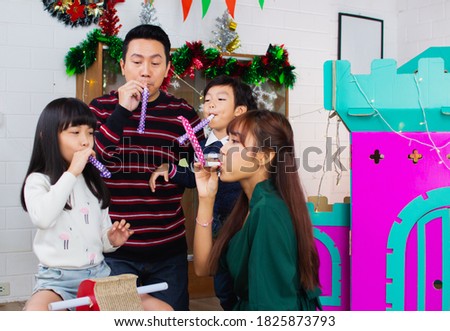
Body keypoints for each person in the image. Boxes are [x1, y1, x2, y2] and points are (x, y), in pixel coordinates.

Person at [89, 24, 204, 310]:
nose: (145, 71)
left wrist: (175, 170)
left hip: (168, 248)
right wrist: (122, 111)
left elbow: (201, 174)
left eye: (155, 62)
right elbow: (91, 163)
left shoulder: (182, 114)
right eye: (137, 61)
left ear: (167, 68)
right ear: (123, 65)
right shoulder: (100, 109)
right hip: (113, 249)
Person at [20, 98, 170, 311]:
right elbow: (43, 218)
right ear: (48, 138)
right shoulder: (38, 181)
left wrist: (111, 239)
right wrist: (72, 172)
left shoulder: (93, 183)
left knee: (162, 311)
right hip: (56, 281)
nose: (86, 141)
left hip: (99, 276)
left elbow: (100, 237)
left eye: (90, 133)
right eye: (75, 132)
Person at [193, 109, 322, 310]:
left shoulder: (268, 211)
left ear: (264, 157)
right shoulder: (247, 205)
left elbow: (270, 306)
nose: (223, 149)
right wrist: (206, 198)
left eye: (235, 142)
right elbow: (203, 268)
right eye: (227, 140)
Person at [150, 75, 258, 310]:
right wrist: (171, 169)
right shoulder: (206, 145)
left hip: (242, 222)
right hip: (217, 225)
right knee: (223, 284)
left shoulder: (248, 146)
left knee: (245, 280)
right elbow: (196, 176)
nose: (210, 104)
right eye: (207, 100)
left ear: (240, 111)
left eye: (220, 99)